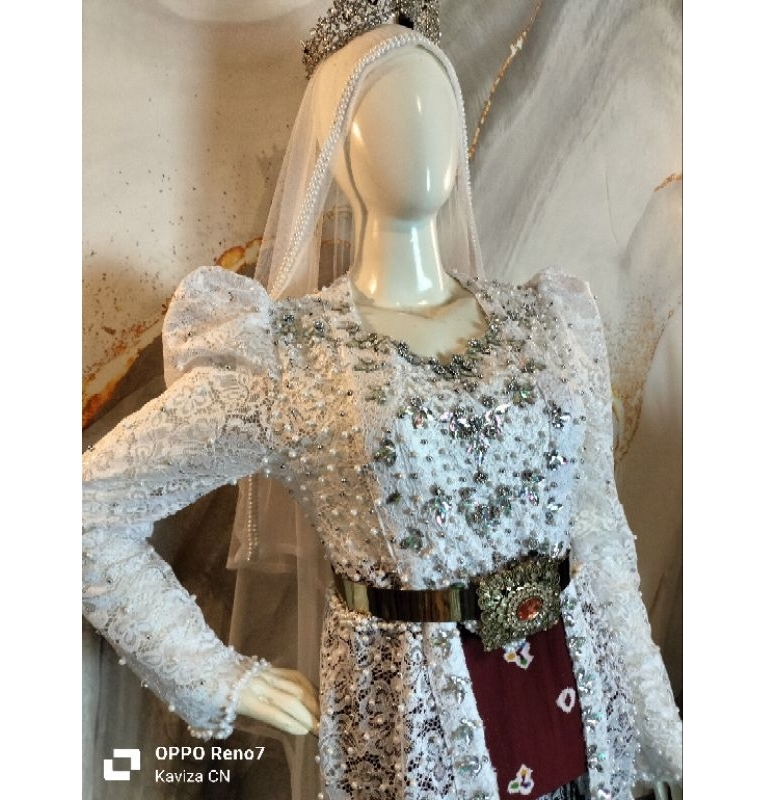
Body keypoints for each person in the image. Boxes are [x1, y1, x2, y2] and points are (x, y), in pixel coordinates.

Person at [83, 21, 682, 800]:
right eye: (385, 107)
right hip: (415, 730)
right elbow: (90, 508)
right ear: (335, 139)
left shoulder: (552, 323)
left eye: (436, 102)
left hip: (582, 712)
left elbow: (597, 533)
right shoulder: (289, 356)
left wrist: (664, 735)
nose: (421, 134)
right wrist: (217, 676)